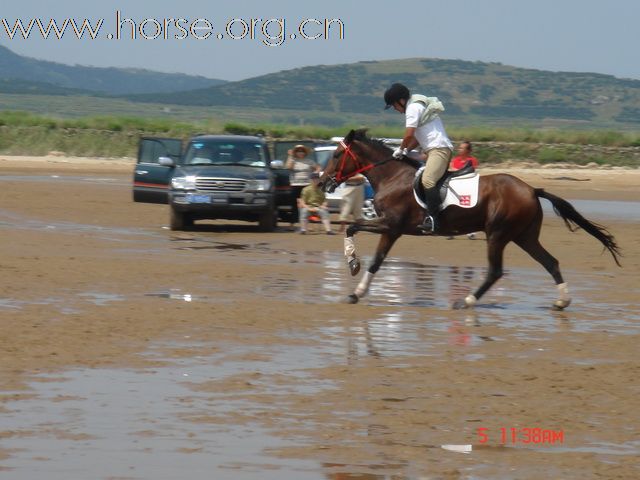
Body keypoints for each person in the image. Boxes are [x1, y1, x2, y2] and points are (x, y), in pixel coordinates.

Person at [384, 82, 453, 233]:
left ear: (401, 101)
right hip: (434, 150)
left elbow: (409, 134)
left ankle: (434, 220)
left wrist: (401, 148)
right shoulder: (416, 107)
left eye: (394, 106)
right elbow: (415, 139)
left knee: (427, 180)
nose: (395, 109)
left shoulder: (412, 108)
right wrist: (406, 150)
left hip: (438, 150)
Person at [448, 141, 479, 240]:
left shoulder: (472, 160)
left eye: (462, 148)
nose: (459, 149)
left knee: (468, 210)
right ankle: (450, 230)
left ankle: (471, 231)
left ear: (468, 150)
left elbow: (469, 172)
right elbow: (452, 170)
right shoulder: (455, 160)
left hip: (467, 188)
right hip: (456, 187)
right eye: (459, 147)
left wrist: (456, 171)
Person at [286, 144, 320, 225]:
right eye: (298, 151)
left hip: (307, 185)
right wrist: (290, 156)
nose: (300, 153)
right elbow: (288, 167)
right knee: (294, 204)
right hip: (295, 184)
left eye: (302, 151)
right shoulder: (293, 160)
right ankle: (293, 223)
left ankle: (306, 223)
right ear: (296, 153)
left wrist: (315, 174)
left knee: (307, 204)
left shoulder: (309, 161)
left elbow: (318, 168)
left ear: (305, 153)